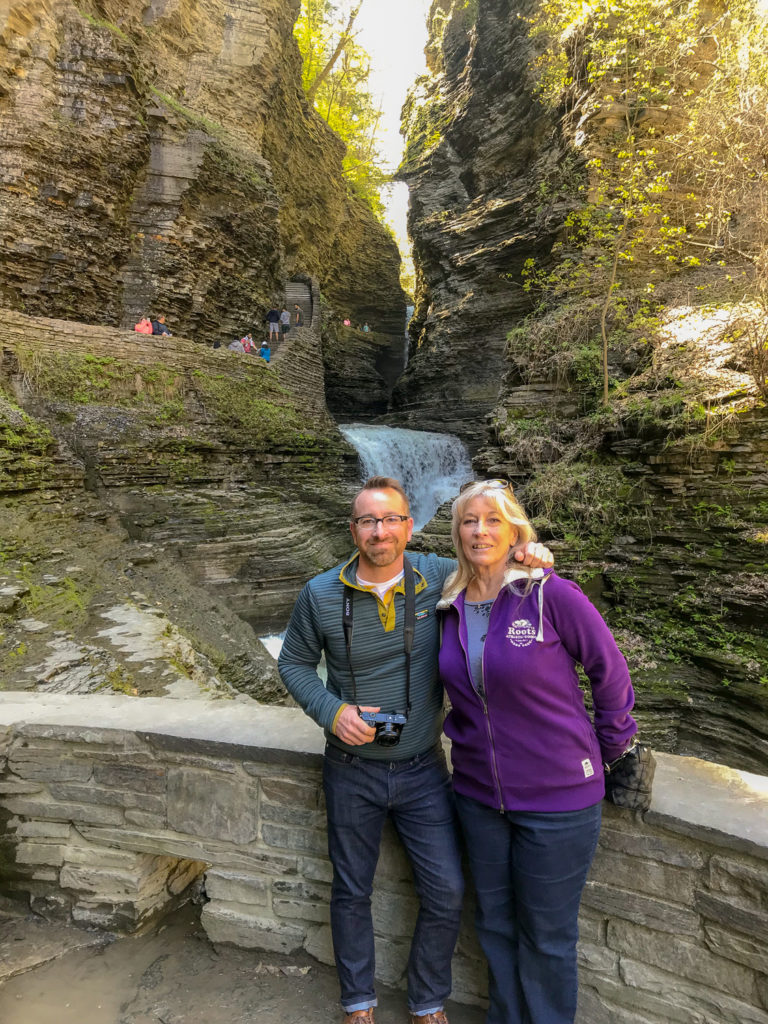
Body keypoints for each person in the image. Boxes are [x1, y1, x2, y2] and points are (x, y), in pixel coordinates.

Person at [278, 477, 553, 1024]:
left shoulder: (439, 577)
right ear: (353, 529)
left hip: (425, 771)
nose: (379, 531)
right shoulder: (320, 593)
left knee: (447, 890)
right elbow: (292, 664)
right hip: (350, 768)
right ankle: (359, 1001)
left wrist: (529, 552)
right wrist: (331, 711)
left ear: (409, 525)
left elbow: (493, 561)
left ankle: (427, 1000)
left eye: (390, 520)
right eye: (367, 521)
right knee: (351, 889)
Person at [437, 480, 638, 1024]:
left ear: (515, 530)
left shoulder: (550, 594)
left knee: (547, 937)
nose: (479, 530)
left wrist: (613, 747)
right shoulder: (448, 602)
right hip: (479, 797)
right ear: (456, 532)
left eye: (493, 520)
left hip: (559, 800)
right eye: (468, 520)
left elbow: (609, 673)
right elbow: (383, 552)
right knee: (496, 927)